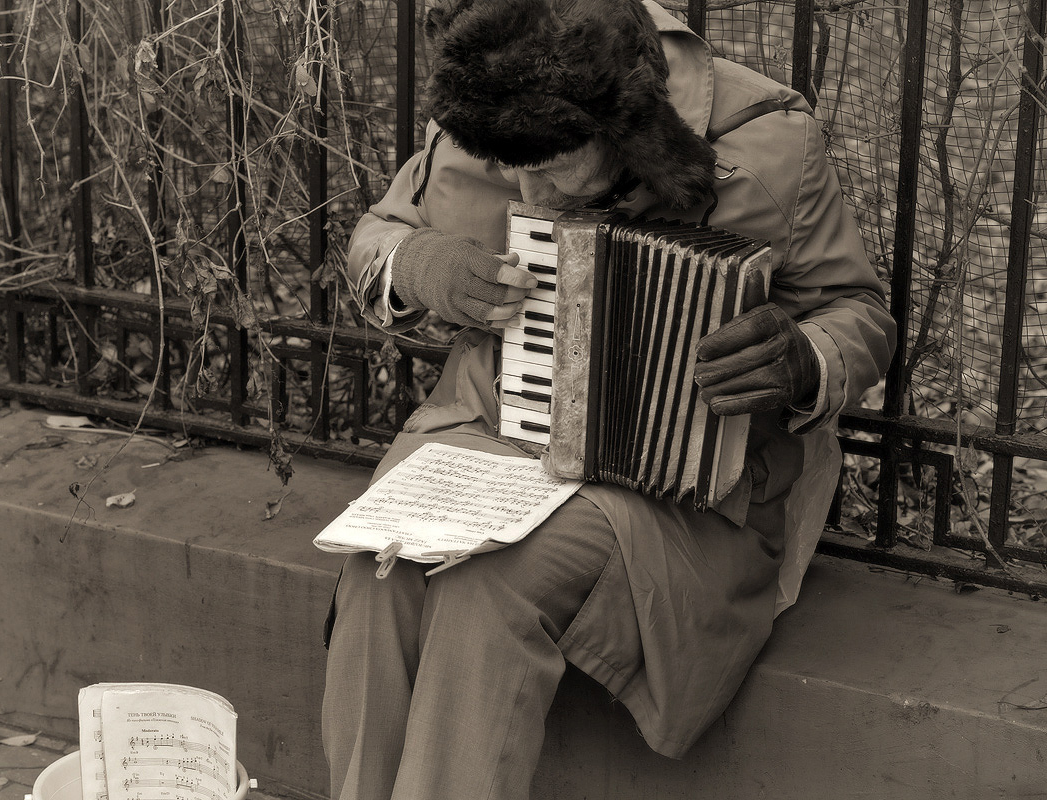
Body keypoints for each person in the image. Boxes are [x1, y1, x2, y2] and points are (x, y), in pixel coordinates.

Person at [322, 1, 897, 798]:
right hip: (489, 439)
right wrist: (420, 264)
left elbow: (858, 313)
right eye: (510, 166)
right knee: (377, 569)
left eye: (554, 166)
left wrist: (803, 358)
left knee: (488, 584)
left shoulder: (764, 137)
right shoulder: (489, 110)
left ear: (627, 127)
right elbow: (377, 236)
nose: (527, 188)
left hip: (677, 494)